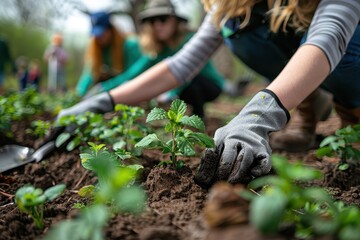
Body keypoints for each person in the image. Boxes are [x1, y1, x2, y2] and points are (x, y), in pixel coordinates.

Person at [55, 0, 360, 185]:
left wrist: (257, 116)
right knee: (238, 31)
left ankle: (352, 114)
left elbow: (328, 36)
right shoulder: (229, 5)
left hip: (346, 54)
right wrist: (103, 101)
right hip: (306, 61)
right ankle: (308, 101)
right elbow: (181, 65)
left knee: (344, 50)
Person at [85, 0, 225, 118]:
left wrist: (170, 93)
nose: (158, 26)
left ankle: (199, 121)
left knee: (191, 83)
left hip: (209, 86)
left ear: (174, 21)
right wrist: (103, 89)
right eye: (152, 21)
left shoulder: (190, 40)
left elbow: (186, 71)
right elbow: (133, 74)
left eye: (163, 19)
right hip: (181, 89)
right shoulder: (157, 50)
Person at [75, 11, 142, 97]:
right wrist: (78, 94)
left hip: (132, 88)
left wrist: (105, 87)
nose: (99, 38)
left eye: (102, 33)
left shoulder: (130, 45)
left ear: (110, 29)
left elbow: (132, 74)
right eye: (96, 35)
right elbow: (89, 74)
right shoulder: (97, 50)